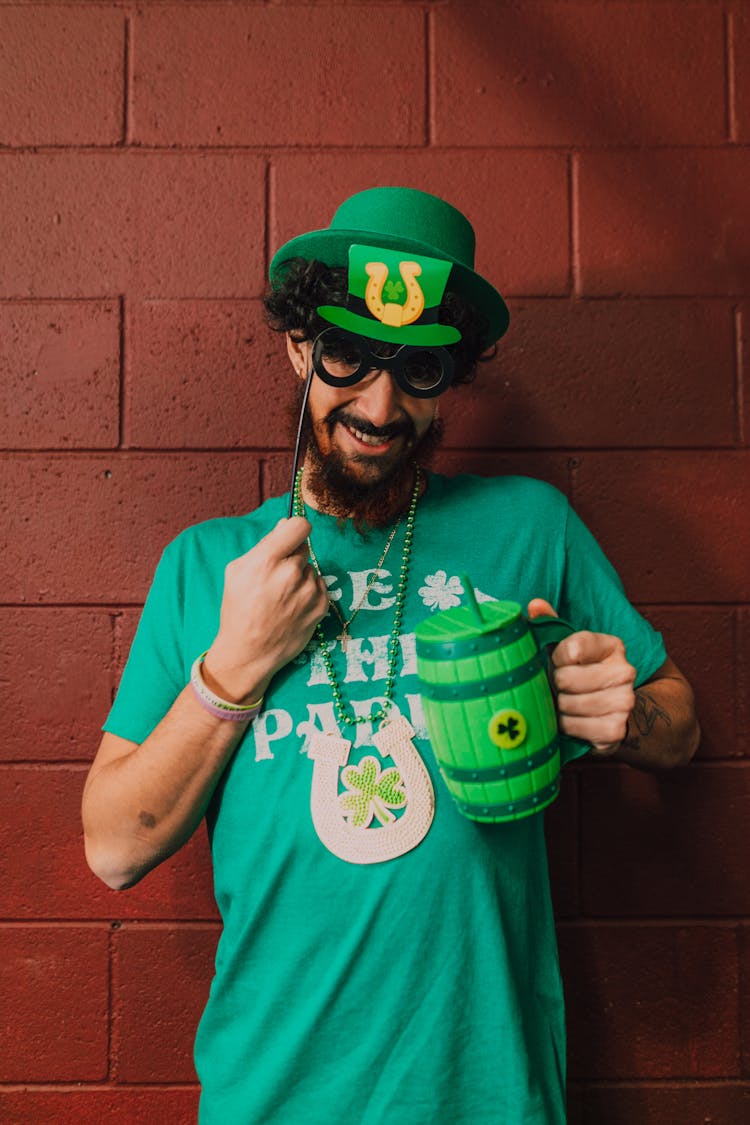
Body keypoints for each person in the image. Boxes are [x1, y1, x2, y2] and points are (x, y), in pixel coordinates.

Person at [83, 187, 699, 1124]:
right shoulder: (208, 565)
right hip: (275, 1097)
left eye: (416, 372)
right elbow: (116, 847)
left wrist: (626, 718)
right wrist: (234, 669)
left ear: (449, 377)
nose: (377, 405)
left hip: (486, 1095)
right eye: (347, 355)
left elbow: (677, 721)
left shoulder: (528, 527)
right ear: (300, 346)